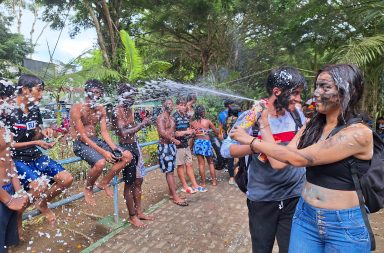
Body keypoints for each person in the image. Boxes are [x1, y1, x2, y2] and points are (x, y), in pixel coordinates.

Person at [231, 64, 372, 252]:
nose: (315, 93)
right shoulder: (312, 126)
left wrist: (251, 141)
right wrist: (263, 124)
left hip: (342, 224)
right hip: (304, 216)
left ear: (346, 91)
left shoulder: (358, 133)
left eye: (325, 87)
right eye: (317, 86)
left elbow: (298, 158)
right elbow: (280, 161)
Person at [221, 66, 307, 253]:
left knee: (292, 249)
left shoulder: (297, 114)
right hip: (263, 199)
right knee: (261, 249)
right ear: (277, 91)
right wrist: (255, 145)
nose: (299, 99)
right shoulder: (251, 117)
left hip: (294, 196)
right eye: (296, 93)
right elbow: (226, 150)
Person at [9, 74, 73, 228]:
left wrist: (46, 133)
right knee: (39, 186)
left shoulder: (35, 109)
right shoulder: (8, 112)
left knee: (66, 178)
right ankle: (17, 217)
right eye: (39, 90)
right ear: (25, 90)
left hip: (34, 154)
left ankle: (42, 204)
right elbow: (7, 144)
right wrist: (36, 141)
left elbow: (37, 131)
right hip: (15, 158)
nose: (41, 94)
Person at [69, 79, 132, 206]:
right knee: (100, 162)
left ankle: (104, 182)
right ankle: (88, 188)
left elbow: (104, 132)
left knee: (127, 156)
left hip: (96, 140)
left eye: (99, 93)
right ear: (87, 91)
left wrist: (114, 148)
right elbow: (82, 136)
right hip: (80, 143)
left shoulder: (101, 109)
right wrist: (104, 152)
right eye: (94, 92)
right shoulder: (77, 108)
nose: (97, 95)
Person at [113, 83, 154, 227]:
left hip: (135, 146)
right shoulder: (117, 111)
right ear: (123, 96)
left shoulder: (129, 109)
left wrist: (144, 122)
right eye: (131, 96)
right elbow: (123, 132)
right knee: (129, 184)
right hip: (126, 149)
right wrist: (141, 125)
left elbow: (132, 127)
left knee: (139, 181)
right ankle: (132, 216)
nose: (133, 99)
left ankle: (139, 212)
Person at [0, 78, 28, 252]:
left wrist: (18, 191)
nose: (8, 103)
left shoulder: (4, 125)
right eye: (4, 98)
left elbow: (9, 162)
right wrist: (8, 199)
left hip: (9, 189)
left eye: (9, 99)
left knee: (8, 245)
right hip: (3, 196)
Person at [155, 98, 188, 206]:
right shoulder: (161, 118)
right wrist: (174, 139)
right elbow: (162, 133)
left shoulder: (171, 118)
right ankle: (175, 197)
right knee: (169, 173)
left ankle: (171, 194)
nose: (171, 105)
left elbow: (173, 131)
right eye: (168, 104)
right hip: (165, 147)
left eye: (171, 103)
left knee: (171, 171)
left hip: (171, 146)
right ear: (164, 106)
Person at [173, 97, 206, 194]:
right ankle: (184, 186)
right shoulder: (174, 117)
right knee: (180, 166)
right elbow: (174, 133)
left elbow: (187, 130)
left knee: (189, 165)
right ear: (177, 106)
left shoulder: (186, 117)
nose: (183, 107)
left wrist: (192, 132)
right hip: (178, 146)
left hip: (185, 145)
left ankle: (194, 185)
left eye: (184, 105)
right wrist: (186, 132)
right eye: (181, 105)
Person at [191, 105, 219, 187]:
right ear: (203, 112)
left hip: (197, 142)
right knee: (210, 162)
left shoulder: (193, 123)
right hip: (206, 142)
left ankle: (203, 183)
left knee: (201, 164)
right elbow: (216, 131)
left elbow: (192, 134)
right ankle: (214, 181)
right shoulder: (207, 121)